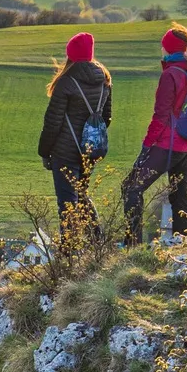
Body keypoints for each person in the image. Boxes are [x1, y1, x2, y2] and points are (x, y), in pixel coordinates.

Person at [120, 23, 187, 245]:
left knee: (131, 187)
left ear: (168, 50)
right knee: (180, 193)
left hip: (168, 143)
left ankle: (133, 245)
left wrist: (147, 146)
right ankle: (184, 242)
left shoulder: (171, 75)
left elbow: (161, 116)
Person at [36, 31, 112, 246]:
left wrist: (44, 152)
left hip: (65, 151)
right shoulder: (105, 80)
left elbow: (53, 122)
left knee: (68, 203)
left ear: (70, 55)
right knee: (81, 195)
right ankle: (97, 244)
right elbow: (106, 118)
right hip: (90, 150)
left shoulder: (66, 82)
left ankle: (69, 254)